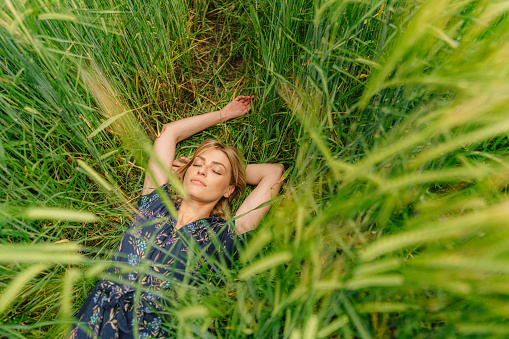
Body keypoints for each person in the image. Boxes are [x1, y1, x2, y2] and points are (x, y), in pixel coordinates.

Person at [70, 96, 284, 338]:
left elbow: (273, 173)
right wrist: (224, 114)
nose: (203, 170)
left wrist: (231, 174)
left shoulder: (224, 237)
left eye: (215, 170)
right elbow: (170, 133)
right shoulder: (154, 203)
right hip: (93, 322)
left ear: (229, 190)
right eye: (197, 164)